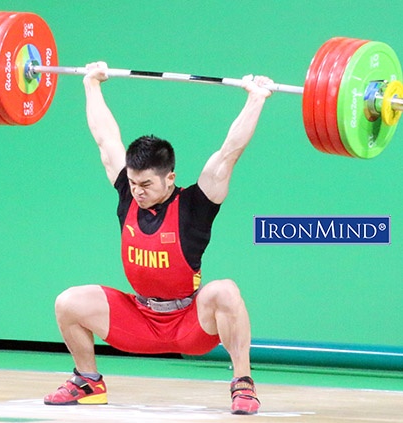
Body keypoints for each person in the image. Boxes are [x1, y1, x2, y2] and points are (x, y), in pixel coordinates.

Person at [44, 61, 273, 415]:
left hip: (188, 324)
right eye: (134, 183)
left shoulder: (196, 204)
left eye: (147, 184)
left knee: (225, 290)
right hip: (139, 318)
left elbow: (229, 153)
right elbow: (106, 139)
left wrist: (256, 98)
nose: (137, 191)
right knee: (68, 302)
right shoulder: (128, 191)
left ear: (170, 178)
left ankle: (242, 384)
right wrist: (92, 84)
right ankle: (87, 381)